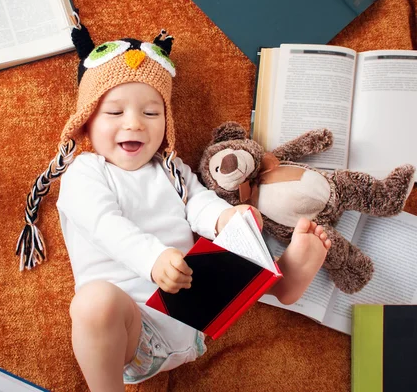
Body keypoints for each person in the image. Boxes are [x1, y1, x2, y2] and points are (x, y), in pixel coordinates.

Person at [17, 25, 331, 391]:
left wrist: (226, 218)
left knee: (226, 246)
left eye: (151, 113)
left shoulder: (172, 170)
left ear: (166, 122)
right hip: (133, 335)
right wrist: (153, 259)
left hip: (195, 314)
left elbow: (198, 203)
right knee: (92, 304)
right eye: (115, 112)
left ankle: (280, 281)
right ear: (86, 121)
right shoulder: (83, 172)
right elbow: (104, 224)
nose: (133, 123)